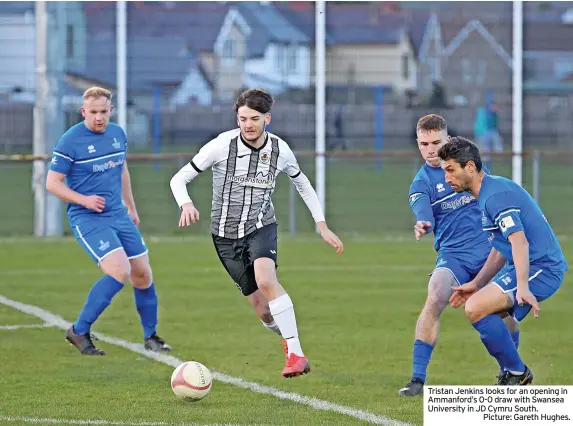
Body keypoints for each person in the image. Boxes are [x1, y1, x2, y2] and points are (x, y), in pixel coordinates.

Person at [169, 88, 344, 378]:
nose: (248, 124)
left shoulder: (279, 150)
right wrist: (185, 203)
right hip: (225, 236)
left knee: (266, 279)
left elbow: (303, 184)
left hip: (261, 225)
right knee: (263, 311)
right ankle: (289, 344)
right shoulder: (221, 145)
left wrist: (321, 224)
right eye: (242, 118)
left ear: (267, 119)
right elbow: (179, 179)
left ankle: (296, 354)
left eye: (254, 118)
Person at [46, 86, 171, 355]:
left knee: (142, 273)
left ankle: (151, 337)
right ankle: (79, 331)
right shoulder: (70, 140)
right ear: (83, 112)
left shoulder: (117, 134)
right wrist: (84, 200)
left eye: (103, 112)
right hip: (87, 217)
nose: (99, 117)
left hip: (118, 213)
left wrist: (131, 207)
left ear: (111, 110)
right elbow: (52, 183)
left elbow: (121, 170)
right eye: (93, 112)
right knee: (119, 271)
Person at [400, 114, 518, 396]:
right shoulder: (421, 184)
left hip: (492, 253)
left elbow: (493, 195)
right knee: (436, 294)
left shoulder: (467, 167)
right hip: (454, 256)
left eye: (435, 142)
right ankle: (417, 380)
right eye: (423, 144)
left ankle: (510, 371)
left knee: (502, 311)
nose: (429, 149)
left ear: (448, 140)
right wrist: (423, 223)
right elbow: (423, 212)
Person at [438, 137, 567, 385]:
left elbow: (519, 242)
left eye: (451, 170)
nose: (446, 178)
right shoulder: (489, 191)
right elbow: (502, 247)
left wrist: (524, 288)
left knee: (476, 308)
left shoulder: (494, 197)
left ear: (471, 167)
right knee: (495, 313)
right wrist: (477, 283)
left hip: (542, 268)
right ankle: (511, 372)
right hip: (526, 263)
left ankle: (518, 374)